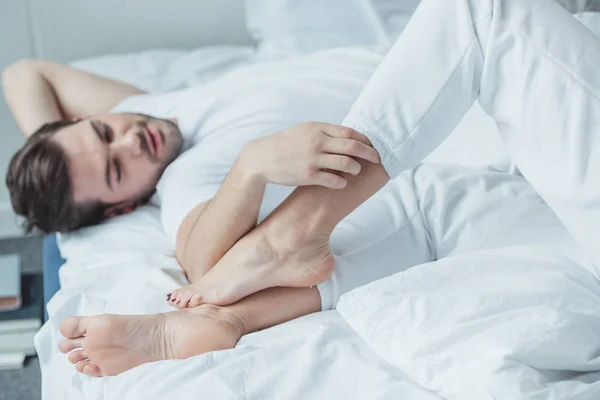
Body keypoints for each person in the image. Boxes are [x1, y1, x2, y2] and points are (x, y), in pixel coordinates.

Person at [8, 0, 600, 378]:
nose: (129, 144)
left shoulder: (151, 109)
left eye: (104, 132)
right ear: (124, 205)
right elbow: (202, 258)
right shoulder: (187, 177)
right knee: (483, 9)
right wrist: (251, 169)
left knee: (422, 216)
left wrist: (66, 157)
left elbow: (22, 73)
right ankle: (280, 246)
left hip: (534, 132)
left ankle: (240, 311)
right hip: (517, 116)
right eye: (114, 169)